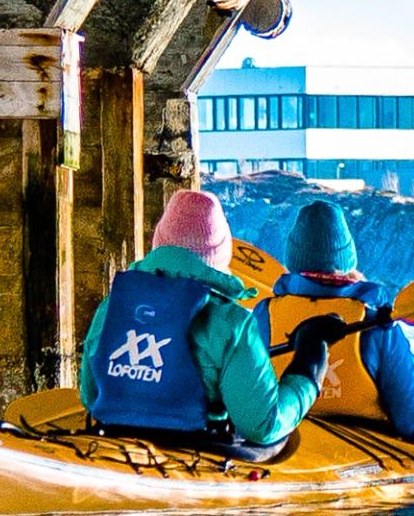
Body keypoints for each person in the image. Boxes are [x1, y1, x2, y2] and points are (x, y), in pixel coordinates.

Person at [79, 188, 345, 459]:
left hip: (113, 443)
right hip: (197, 452)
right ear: (220, 253)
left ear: (159, 243)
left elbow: (90, 396)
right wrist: (308, 366)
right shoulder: (233, 321)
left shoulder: (111, 306)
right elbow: (262, 426)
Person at [270, 199, 414, 447]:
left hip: (289, 439)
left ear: (293, 259)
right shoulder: (376, 323)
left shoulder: (265, 313)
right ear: (348, 259)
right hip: (364, 446)